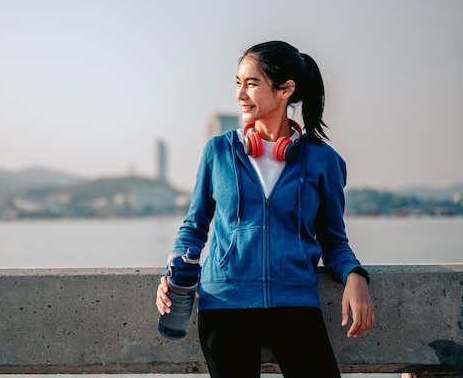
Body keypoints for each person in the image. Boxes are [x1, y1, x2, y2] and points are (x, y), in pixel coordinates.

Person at [156, 40, 375, 377]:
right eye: (238, 83)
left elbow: (334, 240)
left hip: (295, 303)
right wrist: (174, 273)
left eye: (252, 83)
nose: (240, 94)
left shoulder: (323, 161)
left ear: (286, 89)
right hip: (224, 306)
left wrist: (355, 276)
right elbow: (194, 227)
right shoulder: (219, 151)